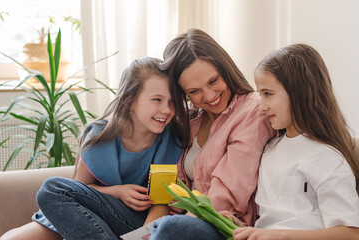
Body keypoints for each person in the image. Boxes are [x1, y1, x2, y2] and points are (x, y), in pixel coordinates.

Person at [0, 57, 185, 240]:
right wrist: (118, 191)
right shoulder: (100, 136)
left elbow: (161, 203)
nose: (167, 110)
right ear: (130, 102)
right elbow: (80, 190)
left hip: (135, 221)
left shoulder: (170, 141)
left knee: (51, 188)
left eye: (172, 101)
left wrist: (144, 235)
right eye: (157, 99)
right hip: (86, 214)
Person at [149, 28, 275, 240]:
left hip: (221, 223)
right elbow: (174, 184)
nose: (209, 96)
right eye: (194, 91)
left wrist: (176, 222)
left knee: (170, 228)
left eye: (213, 81)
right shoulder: (193, 118)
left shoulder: (252, 111)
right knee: (71, 191)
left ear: (225, 69)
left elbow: (227, 195)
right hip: (179, 217)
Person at [231, 43, 359, 240]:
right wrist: (242, 228)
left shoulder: (326, 156)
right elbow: (272, 219)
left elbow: (350, 233)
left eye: (268, 94)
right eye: (260, 95)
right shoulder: (270, 149)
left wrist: (280, 235)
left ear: (299, 93)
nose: (261, 107)